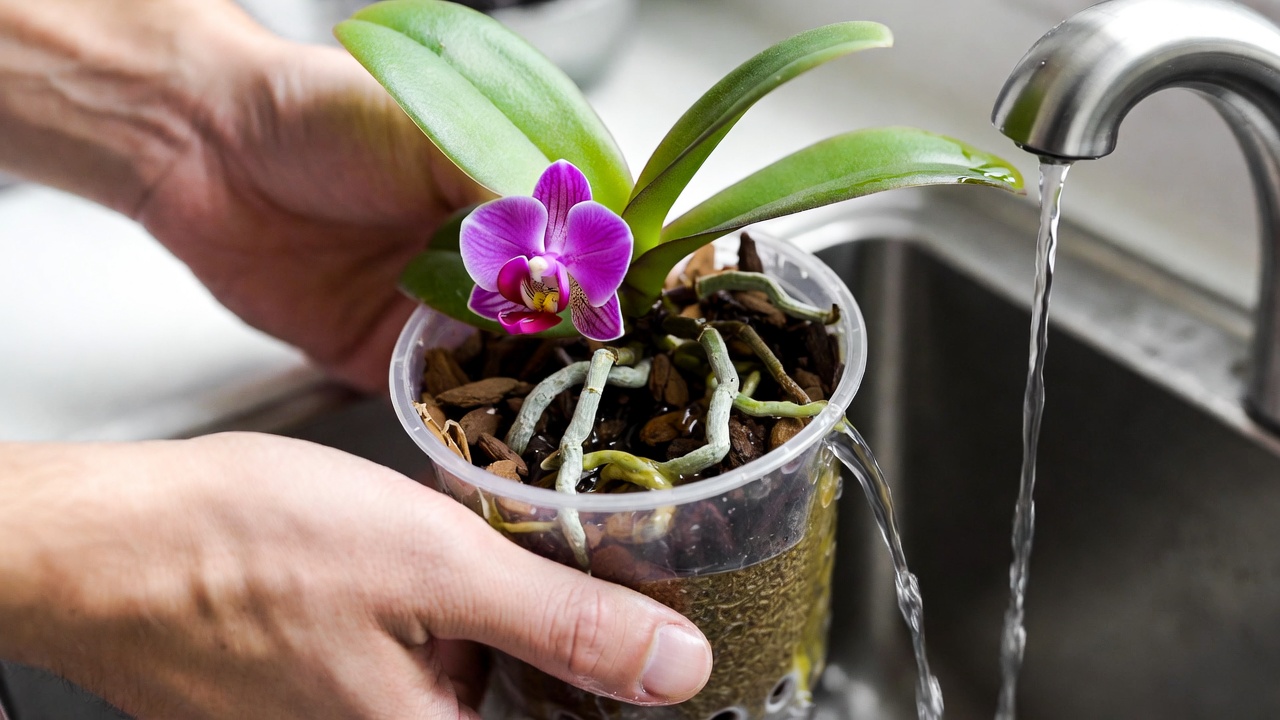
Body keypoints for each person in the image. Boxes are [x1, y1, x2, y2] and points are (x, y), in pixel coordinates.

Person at [0, 1, 714, 718]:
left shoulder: (582, 292)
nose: (534, 289)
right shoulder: (530, 291)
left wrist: (208, 125)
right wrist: (121, 558)